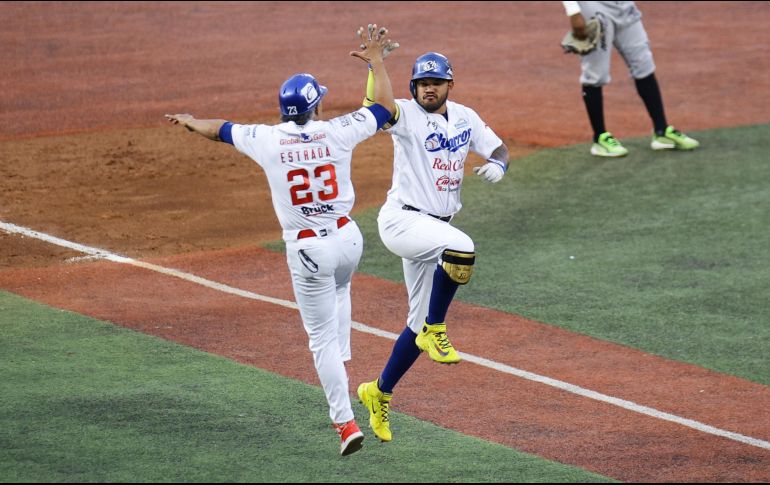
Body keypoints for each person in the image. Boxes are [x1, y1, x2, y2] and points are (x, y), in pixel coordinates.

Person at [165, 25, 396, 456]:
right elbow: (384, 106)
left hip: (309, 250)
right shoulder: (339, 131)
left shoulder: (265, 138)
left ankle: (345, 424)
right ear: (315, 106)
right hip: (349, 239)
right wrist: (376, 61)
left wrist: (191, 121)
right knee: (342, 289)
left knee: (320, 340)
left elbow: (220, 130)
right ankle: (341, 364)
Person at [356, 50, 509, 442]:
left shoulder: (465, 117)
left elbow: (499, 148)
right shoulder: (405, 115)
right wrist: (377, 64)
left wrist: (498, 164)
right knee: (462, 249)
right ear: (413, 87)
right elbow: (379, 105)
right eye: (423, 83)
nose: (429, 88)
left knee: (413, 322)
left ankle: (379, 391)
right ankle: (437, 328)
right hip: (403, 220)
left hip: (433, 229)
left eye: (436, 82)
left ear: (449, 85)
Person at [562, 1, 700, 157]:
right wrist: (573, 11)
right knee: (596, 73)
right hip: (594, 7)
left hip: (624, 6)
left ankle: (661, 131)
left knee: (644, 64)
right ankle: (600, 137)